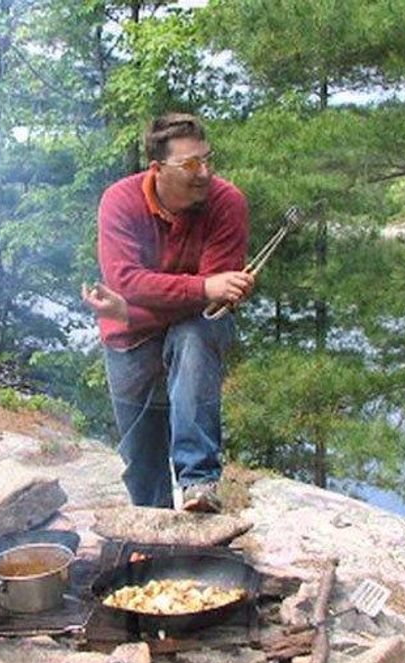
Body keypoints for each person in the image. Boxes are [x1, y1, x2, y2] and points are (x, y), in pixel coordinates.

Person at [84, 113, 253, 513]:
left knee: (194, 334)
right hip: (128, 341)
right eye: (190, 165)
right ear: (157, 169)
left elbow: (213, 304)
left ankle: (199, 485)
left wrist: (130, 311)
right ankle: (157, 547)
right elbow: (126, 279)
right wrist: (200, 287)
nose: (204, 173)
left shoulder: (227, 203)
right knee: (142, 468)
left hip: (188, 325)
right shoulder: (120, 201)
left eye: (208, 159)